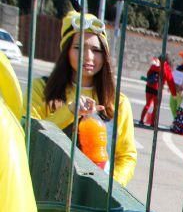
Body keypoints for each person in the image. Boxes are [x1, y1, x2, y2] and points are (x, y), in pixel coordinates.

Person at [30, 10, 137, 187]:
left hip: (95, 200)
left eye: (96, 50)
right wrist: (69, 112)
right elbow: (29, 135)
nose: (88, 57)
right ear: (66, 50)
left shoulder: (117, 102)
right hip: (45, 192)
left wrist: (109, 188)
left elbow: (126, 156)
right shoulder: (41, 89)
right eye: (78, 48)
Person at [140, 54, 175, 127]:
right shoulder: (166, 68)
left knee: (147, 104)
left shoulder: (154, 64)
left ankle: (141, 120)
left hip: (149, 86)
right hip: (158, 89)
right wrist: (173, 93)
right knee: (156, 107)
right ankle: (152, 123)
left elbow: (148, 73)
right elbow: (170, 81)